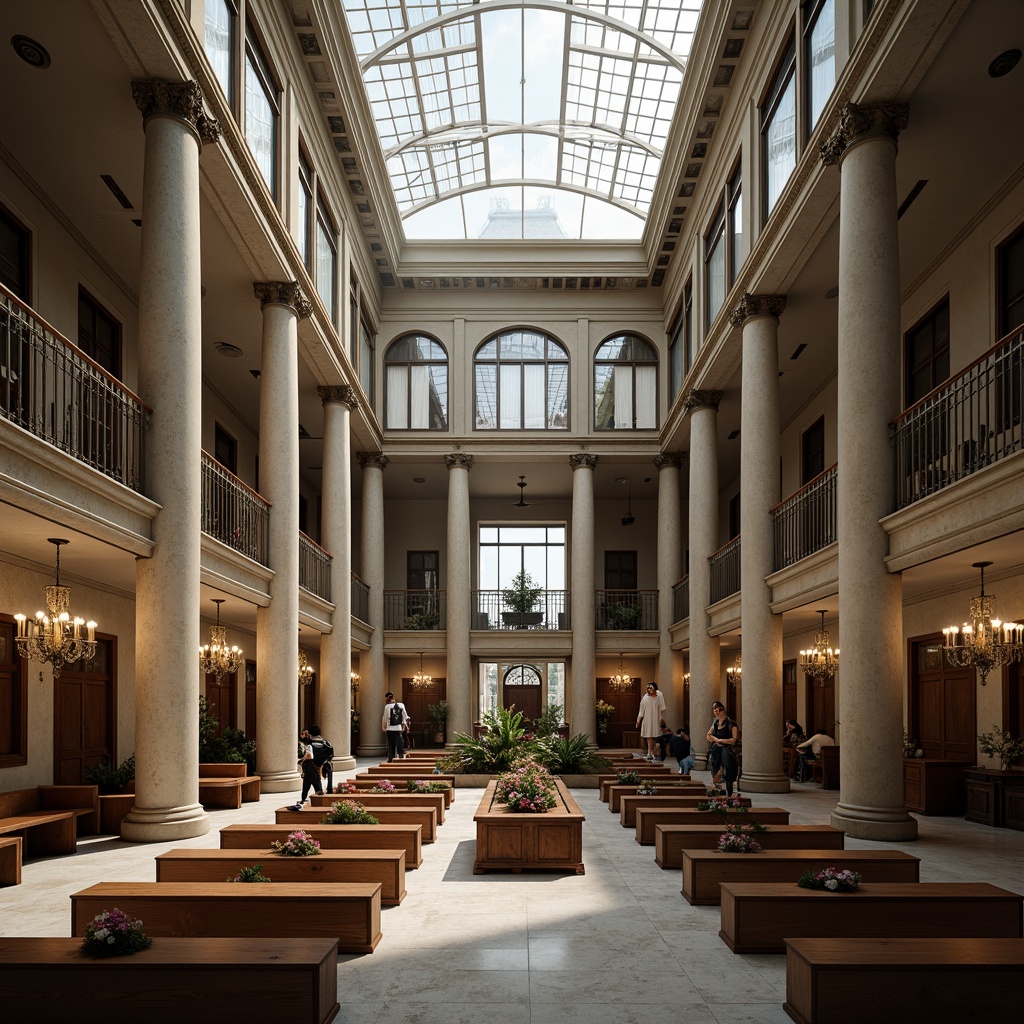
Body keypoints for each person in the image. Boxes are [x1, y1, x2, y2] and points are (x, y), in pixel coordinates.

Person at [706, 701, 740, 795]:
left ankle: (729, 793)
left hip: (726, 750)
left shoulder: (731, 723)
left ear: (722, 710)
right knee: (714, 764)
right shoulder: (716, 723)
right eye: (714, 711)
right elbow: (708, 735)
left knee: (727, 771)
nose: (716, 713)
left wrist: (721, 740)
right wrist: (715, 739)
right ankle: (718, 788)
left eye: (718, 710)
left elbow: (733, 740)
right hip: (716, 750)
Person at [290, 732, 324, 810]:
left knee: (307, 787)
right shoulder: (316, 747)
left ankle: (305, 802)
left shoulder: (309, 746)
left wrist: (302, 760)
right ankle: (318, 804)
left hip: (310, 770)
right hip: (313, 771)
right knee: (316, 788)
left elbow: (309, 755)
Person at [635, 682, 666, 760]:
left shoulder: (659, 695)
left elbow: (661, 707)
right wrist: (638, 721)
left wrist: (661, 718)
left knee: (655, 736)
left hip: (656, 718)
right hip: (647, 719)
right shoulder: (645, 697)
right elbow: (641, 711)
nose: (649, 690)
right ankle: (649, 752)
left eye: (650, 688)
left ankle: (654, 753)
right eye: (648, 688)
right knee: (649, 735)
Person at [305, 724, 334, 794]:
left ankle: (319, 790)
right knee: (329, 766)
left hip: (314, 764)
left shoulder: (310, 743)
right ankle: (329, 787)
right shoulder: (326, 742)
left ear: (310, 734)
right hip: (325, 762)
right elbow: (331, 753)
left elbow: (308, 754)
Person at [382, 691, 410, 762]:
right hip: (398, 728)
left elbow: (385, 718)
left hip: (389, 728)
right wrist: (404, 725)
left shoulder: (387, 706)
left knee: (391, 743)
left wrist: (384, 726)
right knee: (400, 742)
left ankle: (391, 758)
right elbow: (405, 716)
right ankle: (400, 756)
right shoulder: (401, 705)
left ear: (387, 699)